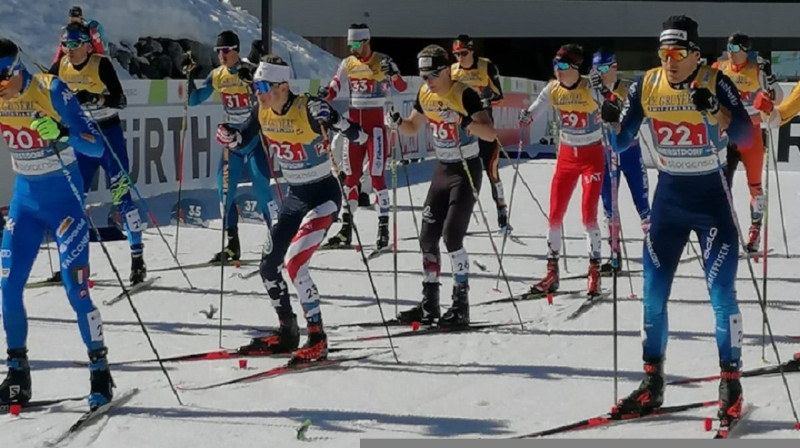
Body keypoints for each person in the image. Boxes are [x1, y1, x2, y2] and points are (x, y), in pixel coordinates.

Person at [599, 16, 753, 429]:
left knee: (721, 295)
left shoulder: (715, 81)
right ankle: (652, 381)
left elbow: (746, 136)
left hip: (710, 200)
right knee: (652, 293)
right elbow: (619, 142)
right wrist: (611, 118)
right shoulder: (646, 85)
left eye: (678, 54)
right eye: (664, 53)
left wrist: (716, 111)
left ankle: (731, 383)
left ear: (695, 55)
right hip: (669, 200)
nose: (669, 62)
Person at [222, 55, 368, 363]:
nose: (257, 92)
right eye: (255, 86)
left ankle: (317, 336)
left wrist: (333, 117)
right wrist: (230, 136)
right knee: (267, 265)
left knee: (295, 263)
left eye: (263, 86)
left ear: (283, 86)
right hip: (294, 197)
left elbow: (359, 136)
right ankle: (287, 330)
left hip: (323, 197)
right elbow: (242, 139)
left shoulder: (308, 108)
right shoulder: (261, 111)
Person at [0, 38, 115, 408]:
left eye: (2, 82)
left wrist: (62, 132)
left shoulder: (50, 89)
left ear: (16, 70)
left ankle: (99, 368)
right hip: (25, 205)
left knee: (75, 290)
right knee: (7, 286)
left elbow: (96, 146)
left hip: (65, 204)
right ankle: (17, 373)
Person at [385, 45, 497, 326]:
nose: (428, 81)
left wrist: (463, 121)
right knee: (427, 237)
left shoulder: (463, 93)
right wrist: (397, 123)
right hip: (441, 169)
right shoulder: (425, 93)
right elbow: (413, 126)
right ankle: (430, 303)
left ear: (446, 70)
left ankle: (461, 303)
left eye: (433, 75)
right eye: (423, 76)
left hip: (465, 169)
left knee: (452, 236)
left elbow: (489, 132)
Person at [49, 23, 146, 285]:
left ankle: (137, 258)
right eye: (65, 45)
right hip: (83, 138)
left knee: (121, 196)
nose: (69, 51)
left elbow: (121, 100)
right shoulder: (60, 67)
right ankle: (73, 263)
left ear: (86, 45)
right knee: (73, 200)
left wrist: (96, 98)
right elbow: (44, 95)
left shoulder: (100, 64)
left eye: (74, 45)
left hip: (108, 136)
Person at [182, 30, 278, 262]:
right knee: (224, 191)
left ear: (236, 50)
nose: (221, 56)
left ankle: (277, 240)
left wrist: (255, 77)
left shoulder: (248, 68)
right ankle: (232, 244)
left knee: (262, 190)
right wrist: (189, 75)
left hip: (254, 137)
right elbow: (193, 101)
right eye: (218, 52)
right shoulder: (217, 75)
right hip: (232, 141)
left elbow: (270, 95)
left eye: (226, 51)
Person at [519, 44, 604, 297]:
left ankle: (594, 270)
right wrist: (526, 117)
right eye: (556, 64)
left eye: (564, 66)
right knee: (554, 214)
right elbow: (535, 110)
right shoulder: (553, 88)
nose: (558, 70)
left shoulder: (590, 87)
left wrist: (604, 94)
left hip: (591, 156)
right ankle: (552, 271)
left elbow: (610, 106)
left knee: (588, 215)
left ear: (576, 68)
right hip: (567, 156)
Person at [320, 23, 407, 252]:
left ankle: (383, 227)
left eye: (356, 44)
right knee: (350, 178)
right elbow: (334, 86)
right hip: (354, 129)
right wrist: (323, 97)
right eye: (350, 45)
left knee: (376, 177)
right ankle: (346, 229)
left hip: (376, 128)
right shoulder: (348, 63)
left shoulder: (382, 60)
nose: (353, 49)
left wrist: (394, 74)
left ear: (367, 42)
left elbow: (401, 86)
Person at [712, 32, 782, 253]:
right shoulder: (719, 68)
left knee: (755, 186)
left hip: (751, 133)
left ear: (745, 50)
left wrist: (769, 86)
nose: (730, 54)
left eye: (734, 49)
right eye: (728, 48)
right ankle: (725, 231)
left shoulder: (757, 70)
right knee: (723, 186)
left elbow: (778, 97)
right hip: (726, 133)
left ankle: (755, 231)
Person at [588, 49, 651, 273]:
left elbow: (623, 113)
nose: (599, 74)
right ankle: (614, 255)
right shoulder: (591, 90)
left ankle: (655, 253)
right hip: (604, 153)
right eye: (595, 70)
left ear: (614, 67)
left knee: (642, 205)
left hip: (629, 152)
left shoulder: (627, 87)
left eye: (603, 69)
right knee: (608, 207)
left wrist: (604, 91)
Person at [449, 34, 509, 232]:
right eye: (456, 54)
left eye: (463, 53)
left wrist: (486, 100)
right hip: (464, 128)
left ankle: (501, 210)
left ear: (472, 51)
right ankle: (460, 215)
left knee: (492, 170)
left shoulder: (486, 66)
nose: (460, 58)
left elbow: (500, 95)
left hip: (484, 127)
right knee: (462, 174)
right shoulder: (452, 71)